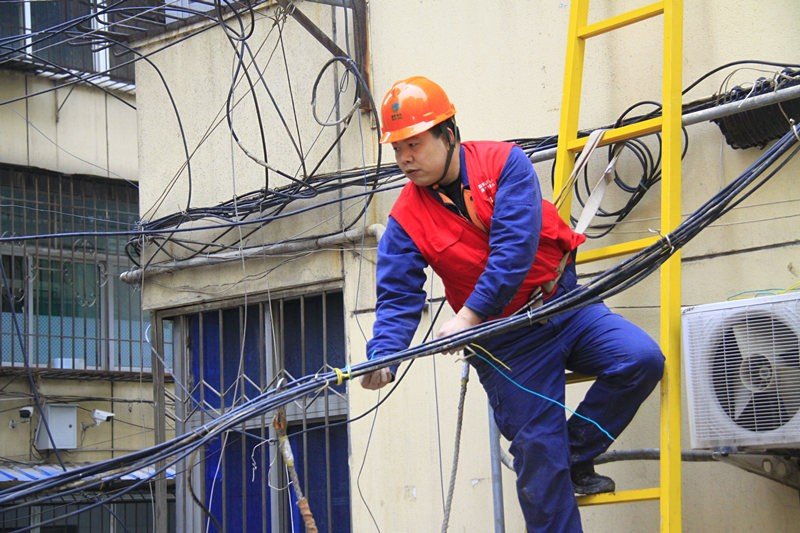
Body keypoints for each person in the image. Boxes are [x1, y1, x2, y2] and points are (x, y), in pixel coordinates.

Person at [359, 76, 664, 532]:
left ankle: (574, 451)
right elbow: (399, 294)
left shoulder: (504, 163)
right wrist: (384, 356)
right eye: (397, 147)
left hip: (564, 306)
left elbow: (515, 249)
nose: (404, 158)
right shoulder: (405, 219)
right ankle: (560, 459)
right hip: (507, 345)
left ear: (448, 133)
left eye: (415, 144)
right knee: (540, 458)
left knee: (640, 359)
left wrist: (466, 316)